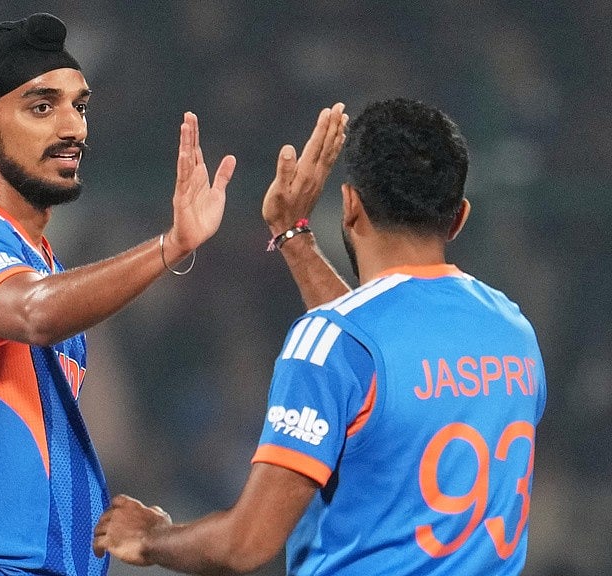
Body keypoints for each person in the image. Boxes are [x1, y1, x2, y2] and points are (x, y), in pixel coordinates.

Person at [93, 98, 547, 575]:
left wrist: (149, 538)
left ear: (349, 206)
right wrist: (292, 235)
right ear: (459, 217)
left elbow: (245, 544)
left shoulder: (331, 343)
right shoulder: (513, 331)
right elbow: (382, 352)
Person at [0, 12, 235, 576]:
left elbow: (29, 453)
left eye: (78, 106)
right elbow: (34, 314)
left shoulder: (40, 261)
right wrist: (170, 245)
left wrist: (100, 521)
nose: (73, 128)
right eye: (42, 106)